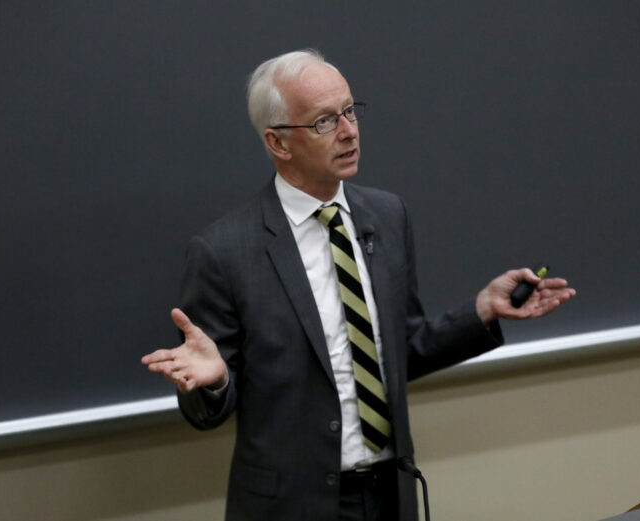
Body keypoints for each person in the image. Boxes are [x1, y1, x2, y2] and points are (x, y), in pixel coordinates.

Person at [141, 49, 575, 521]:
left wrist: (483, 310)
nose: (349, 131)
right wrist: (217, 380)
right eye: (324, 122)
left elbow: (399, 352)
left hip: (390, 492)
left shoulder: (387, 216)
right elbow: (204, 411)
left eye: (349, 111)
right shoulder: (224, 251)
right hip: (292, 508)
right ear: (279, 143)